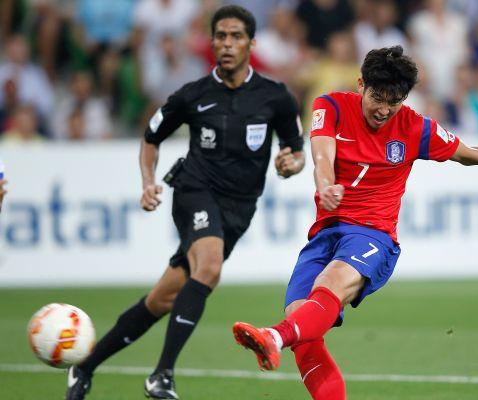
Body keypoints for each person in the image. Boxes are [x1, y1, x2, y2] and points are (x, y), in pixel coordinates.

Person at [232, 45, 478, 399]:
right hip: (325, 234)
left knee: (326, 288)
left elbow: (470, 154)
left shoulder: (415, 127)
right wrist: (326, 186)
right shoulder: (329, 106)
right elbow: (322, 156)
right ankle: (282, 337)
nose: (383, 109)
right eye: (377, 97)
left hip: (372, 235)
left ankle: (273, 336)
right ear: (361, 84)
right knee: (305, 333)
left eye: (393, 101)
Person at [65, 6, 305, 400]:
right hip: (194, 190)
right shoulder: (193, 95)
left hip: (239, 210)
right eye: (221, 36)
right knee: (208, 267)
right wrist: (147, 182)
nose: (227, 44)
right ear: (211, 42)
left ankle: (85, 366)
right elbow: (150, 136)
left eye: (236, 37)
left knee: (162, 298)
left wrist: (289, 164)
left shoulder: (275, 97)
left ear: (252, 43)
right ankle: (161, 376)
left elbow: (296, 151)